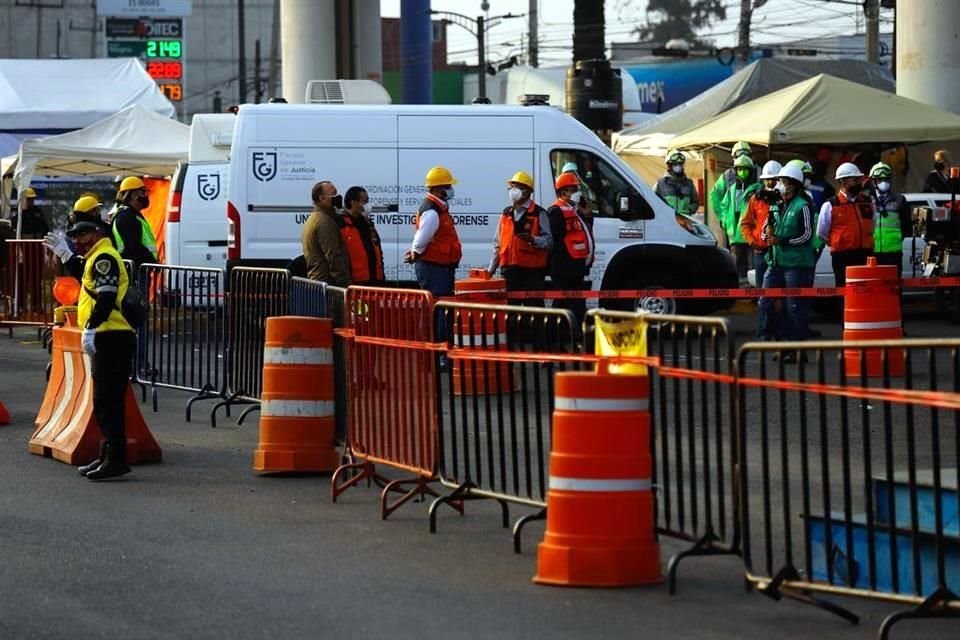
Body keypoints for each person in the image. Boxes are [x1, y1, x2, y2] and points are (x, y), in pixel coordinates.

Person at [67, 218, 136, 480]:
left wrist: (91, 328)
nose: (77, 241)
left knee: (108, 402)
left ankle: (116, 459)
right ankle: (106, 455)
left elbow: (106, 298)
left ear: (97, 234)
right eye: (73, 237)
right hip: (108, 336)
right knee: (104, 401)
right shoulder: (96, 257)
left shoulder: (103, 257)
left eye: (81, 235)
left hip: (112, 336)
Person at [758, 163, 816, 362]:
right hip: (775, 263)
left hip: (796, 265)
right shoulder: (775, 205)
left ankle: (797, 350)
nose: (780, 184)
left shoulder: (803, 205)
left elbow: (807, 235)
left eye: (783, 181)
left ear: (793, 185)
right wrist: (766, 236)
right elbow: (764, 230)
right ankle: (783, 343)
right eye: (779, 181)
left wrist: (782, 240)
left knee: (794, 308)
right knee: (765, 303)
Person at [488, 171, 552, 304]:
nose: (513, 191)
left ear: (527, 191)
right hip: (509, 272)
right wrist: (491, 270)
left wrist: (533, 239)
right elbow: (497, 244)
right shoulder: (506, 214)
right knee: (511, 313)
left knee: (533, 312)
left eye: (516, 187)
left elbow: (549, 241)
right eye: (512, 187)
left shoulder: (539, 213)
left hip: (532, 273)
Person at [404, 166, 462, 300]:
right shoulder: (432, 211)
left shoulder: (439, 207)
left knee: (439, 306)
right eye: (447, 186)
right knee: (437, 307)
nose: (450, 190)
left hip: (439, 267)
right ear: (436, 189)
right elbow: (422, 238)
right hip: (434, 268)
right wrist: (415, 253)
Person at [548, 171, 594, 330]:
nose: (577, 193)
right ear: (563, 192)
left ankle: (575, 335)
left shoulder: (575, 210)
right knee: (562, 305)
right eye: (573, 189)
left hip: (576, 267)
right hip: (564, 268)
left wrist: (587, 216)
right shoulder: (556, 211)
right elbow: (554, 241)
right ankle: (556, 338)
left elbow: (583, 233)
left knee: (576, 304)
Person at [817, 162, 875, 287]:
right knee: (844, 289)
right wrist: (838, 241)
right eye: (855, 180)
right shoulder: (831, 205)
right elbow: (821, 232)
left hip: (865, 253)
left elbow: (872, 224)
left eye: (859, 179)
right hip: (842, 256)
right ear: (843, 182)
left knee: (865, 289)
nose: (859, 183)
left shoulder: (867, 202)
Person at [44, 196, 112, 279]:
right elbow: (79, 265)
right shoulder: (78, 231)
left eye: (82, 235)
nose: (77, 240)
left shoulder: (103, 229)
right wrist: (66, 255)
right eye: (95, 210)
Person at [741, 160, 782, 297]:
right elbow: (746, 223)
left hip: (781, 250)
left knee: (779, 290)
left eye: (774, 179)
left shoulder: (786, 199)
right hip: (761, 250)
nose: (770, 183)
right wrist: (753, 242)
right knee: (762, 292)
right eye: (767, 180)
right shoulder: (756, 199)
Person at [717, 155, 760, 283]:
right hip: (735, 236)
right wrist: (725, 222)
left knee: (753, 268)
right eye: (740, 169)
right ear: (736, 171)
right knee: (737, 268)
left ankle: (754, 293)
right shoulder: (731, 190)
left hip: (752, 236)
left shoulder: (757, 189)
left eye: (745, 169)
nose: (742, 172)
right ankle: (740, 293)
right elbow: (724, 207)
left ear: (751, 171)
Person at [302, 181, 351, 287]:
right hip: (327, 286)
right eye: (333, 194)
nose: (337, 197)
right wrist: (345, 285)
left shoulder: (314, 218)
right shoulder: (324, 222)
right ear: (322, 198)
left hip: (318, 283)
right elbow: (333, 256)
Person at [868, 162, 911, 276]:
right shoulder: (866, 200)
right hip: (872, 252)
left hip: (894, 253)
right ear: (873, 182)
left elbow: (907, 226)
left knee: (894, 287)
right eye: (880, 179)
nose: (884, 183)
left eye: (886, 179)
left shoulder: (900, 200)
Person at [337, 186, 384, 286]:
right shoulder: (341, 224)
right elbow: (338, 256)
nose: (368, 205)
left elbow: (378, 250)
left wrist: (382, 276)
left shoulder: (368, 223)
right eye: (365, 201)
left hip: (375, 280)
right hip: (355, 282)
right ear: (354, 203)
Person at [111, 176, 158, 272]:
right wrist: (152, 262)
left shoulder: (131, 215)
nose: (146, 196)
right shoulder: (126, 217)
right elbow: (134, 247)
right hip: (133, 272)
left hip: (138, 269)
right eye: (143, 192)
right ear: (133, 195)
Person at [709, 141, 752, 227]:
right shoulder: (727, 176)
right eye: (739, 154)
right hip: (732, 222)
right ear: (733, 157)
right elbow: (715, 196)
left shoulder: (757, 173)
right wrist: (723, 218)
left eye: (745, 154)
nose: (742, 157)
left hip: (751, 222)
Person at [654, 149, 699, 216]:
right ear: (669, 165)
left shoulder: (689, 183)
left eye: (680, 164)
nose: (678, 166)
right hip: (667, 220)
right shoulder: (661, 183)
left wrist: (689, 210)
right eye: (675, 164)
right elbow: (653, 201)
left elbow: (695, 202)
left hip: (684, 222)